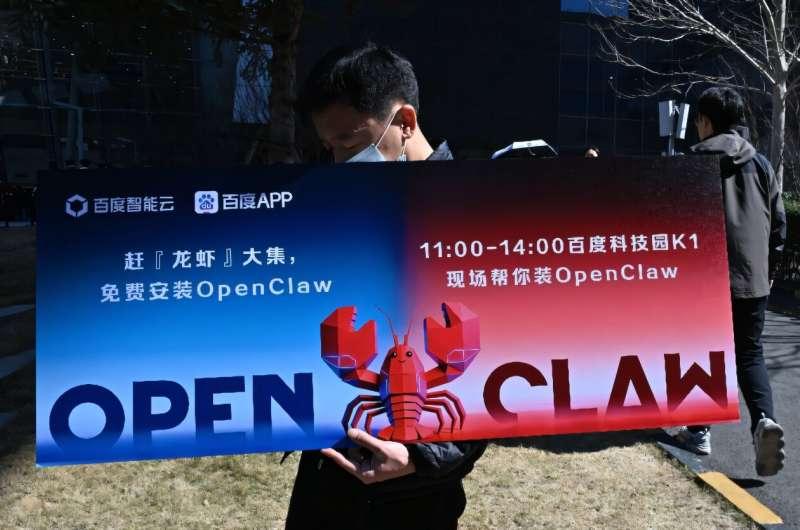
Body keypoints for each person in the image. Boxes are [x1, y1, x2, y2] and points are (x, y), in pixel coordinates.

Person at [285, 42, 487, 529]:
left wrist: (423, 457)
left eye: (349, 143)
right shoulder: (341, 202)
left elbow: (508, 365)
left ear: (405, 122)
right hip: (325, 485)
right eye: (329, 148)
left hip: (414, 501)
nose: (338, 162)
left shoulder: (479, 216)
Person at [675, 87, 786, 477]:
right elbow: (779, 227)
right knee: (749, 354)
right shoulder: (762, 165)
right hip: (752, 280)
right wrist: (766, 272)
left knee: (702, 354)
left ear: (705, 122)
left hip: (702, 281)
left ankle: (698, 431)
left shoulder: (691, 163)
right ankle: (764, 421)